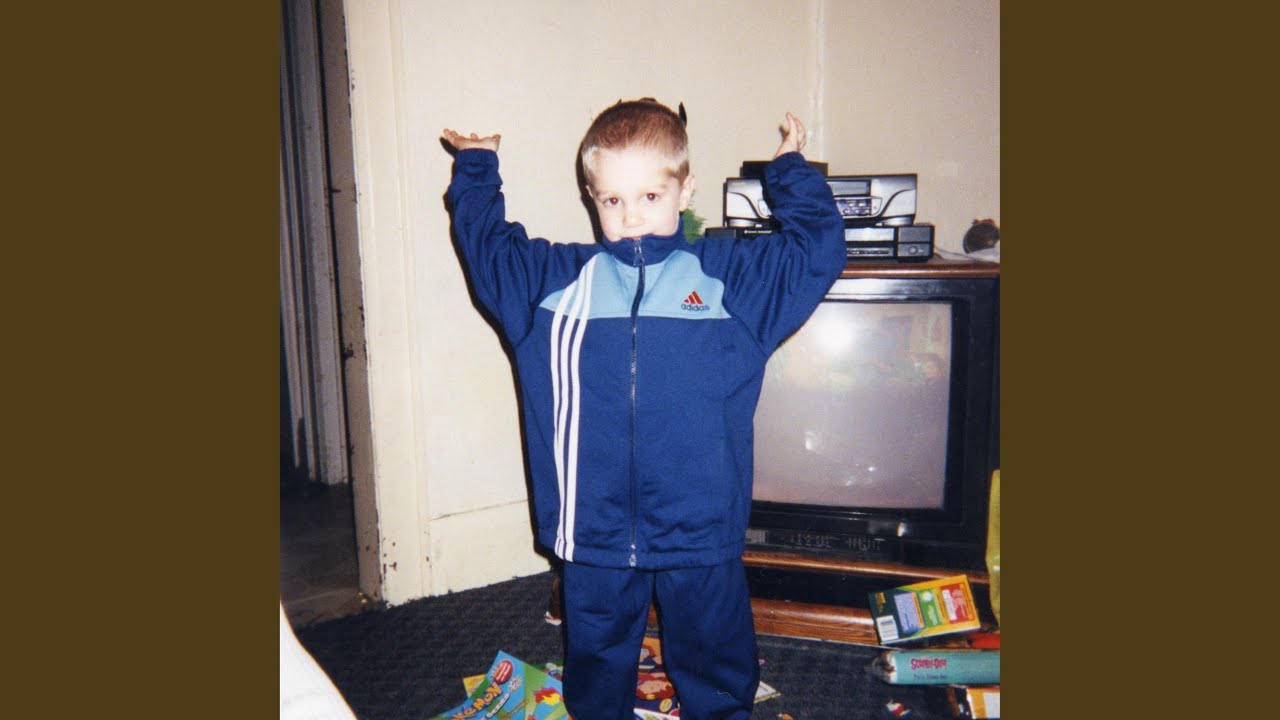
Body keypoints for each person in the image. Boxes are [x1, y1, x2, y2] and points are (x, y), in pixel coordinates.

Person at [442, 98, 845, 720]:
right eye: (612, 200)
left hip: (701, 522)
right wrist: (476, 168)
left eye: (650, 196)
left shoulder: (731, 281)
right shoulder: (553, 285)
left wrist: (790, 172)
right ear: (591, 196)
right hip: (591, 525)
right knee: (597, 656)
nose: (631, 217)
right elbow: (488, 248)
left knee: (715, 654)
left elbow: (817, 250)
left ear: (686, 189)